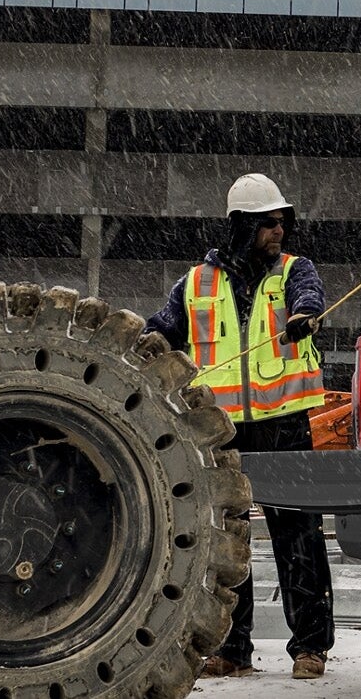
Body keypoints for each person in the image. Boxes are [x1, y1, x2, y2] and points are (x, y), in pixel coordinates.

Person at [144, 173, 335, 681]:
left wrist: (306, 316)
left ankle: (309, 648)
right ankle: (231, 649)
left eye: (282, 222)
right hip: (222, 432)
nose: (279, 231)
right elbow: (160, 332)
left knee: (299, 537)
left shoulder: (295, 271)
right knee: (227, 544)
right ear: (242, 226)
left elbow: (309, 295)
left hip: (286, 424)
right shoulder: (195, 284)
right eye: (269, 223)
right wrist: (139, 347)